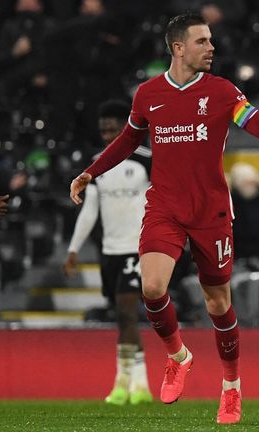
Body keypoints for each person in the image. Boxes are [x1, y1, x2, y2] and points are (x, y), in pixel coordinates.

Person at [68, 13, 259, 424]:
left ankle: (231, 388)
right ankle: (178, 356)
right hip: (166, 207)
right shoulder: (148, 94)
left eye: (211, 41)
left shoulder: (224, 92)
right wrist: (91, 171)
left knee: (217, 303)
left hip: (211, 211)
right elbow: (127, 140)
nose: (212, 48)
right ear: (178, 48)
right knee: (152, 288)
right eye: (203, 41)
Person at [63, 99, 153, 406]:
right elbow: (89, 210)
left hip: (135, 248)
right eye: (103, 130)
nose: (107, 135)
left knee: (128, 311)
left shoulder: (146, 160)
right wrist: (74, 248)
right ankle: (130, 381)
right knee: (121, 316)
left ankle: (131, 382)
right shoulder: (96, 165)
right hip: (109, 250)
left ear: (125, 127)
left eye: (112, 129)